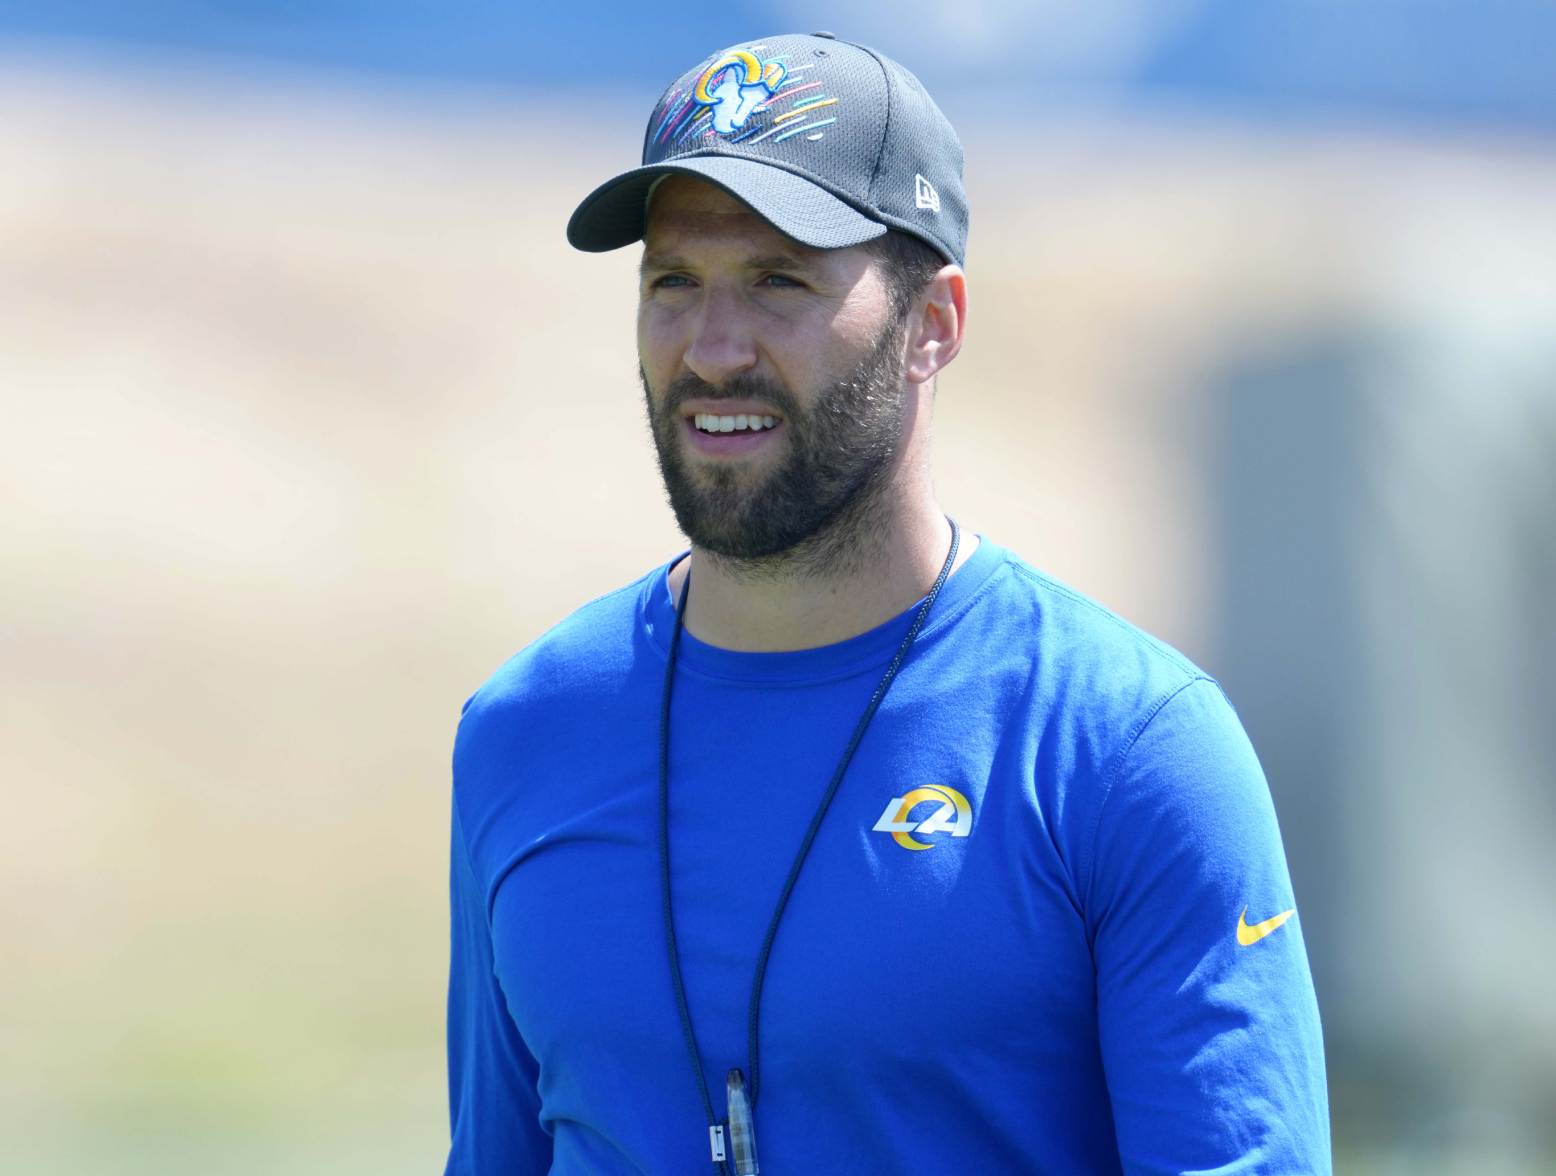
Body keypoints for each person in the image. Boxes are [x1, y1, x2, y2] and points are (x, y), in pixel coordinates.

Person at [444, 31, 1330, 1176]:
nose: (713, 350)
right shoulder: (521, 733)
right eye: (673, 282)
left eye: (778, 282)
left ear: (933, 325)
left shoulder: (1125, 748)